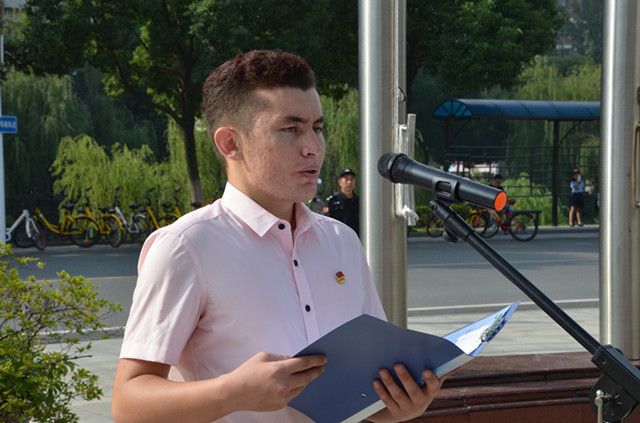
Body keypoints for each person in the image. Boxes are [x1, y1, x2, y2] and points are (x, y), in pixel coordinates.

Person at [112, 50, 443, 423]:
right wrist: (233, 392)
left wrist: (398, 406)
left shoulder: (342, 241)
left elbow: (365, 391)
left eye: (317, 127)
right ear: (230, 143)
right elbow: (128, 404)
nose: (313, 147)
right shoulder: (186, 247)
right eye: (291, 129)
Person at [326, 168, 360, 236]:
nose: (349, 182)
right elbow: (326, 222)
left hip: (356, 239)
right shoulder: (332, 201)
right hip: (338, 238)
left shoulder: (360, 202)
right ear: (340, 182)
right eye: (346, 179)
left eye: (351, 179)